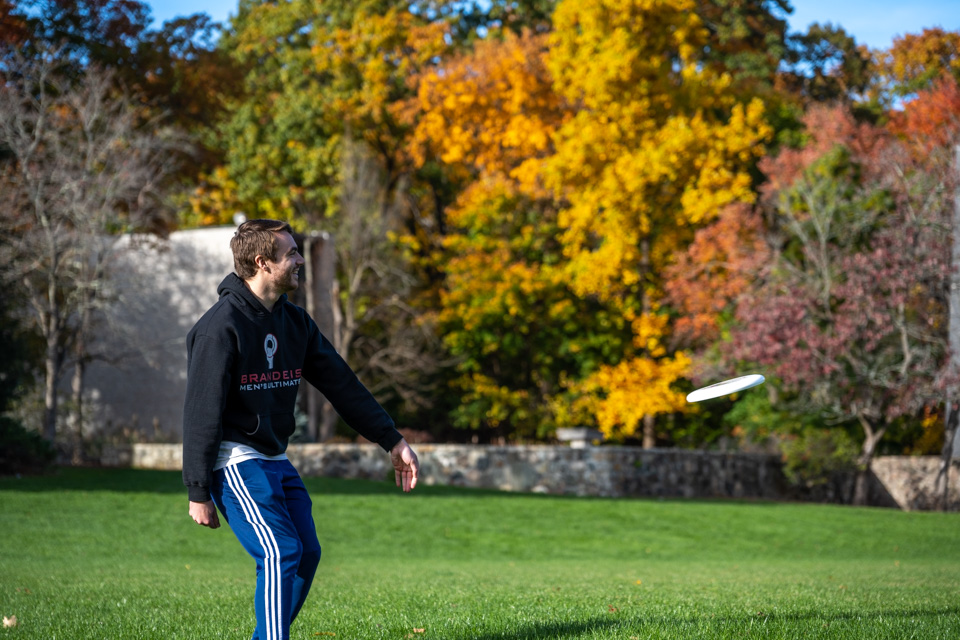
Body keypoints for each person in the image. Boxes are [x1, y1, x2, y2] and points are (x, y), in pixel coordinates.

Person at [182, 218, 419, 640]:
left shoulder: (295, 323)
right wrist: (198, 490)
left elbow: (342, 385)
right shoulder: (219, 328)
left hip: (275, 459)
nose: (299, 260)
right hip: (236, 462)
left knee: (306, 553)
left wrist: (392, 439)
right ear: (262, 262)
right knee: (280, 553)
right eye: (291, 253)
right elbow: (201, 412)